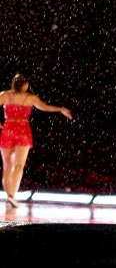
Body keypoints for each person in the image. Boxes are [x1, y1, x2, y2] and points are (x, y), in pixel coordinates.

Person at [0, 74, 72, 207]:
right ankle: (12, 196)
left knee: (7, 166)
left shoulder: (5, 95)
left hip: (8, 129)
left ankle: (9, 195)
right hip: (22, 131)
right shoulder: (30, 98)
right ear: (25, 85)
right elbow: (45, 107)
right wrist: (61, 109)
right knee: (19, 166)